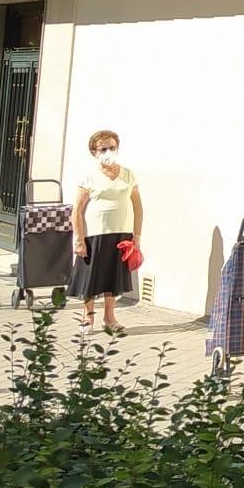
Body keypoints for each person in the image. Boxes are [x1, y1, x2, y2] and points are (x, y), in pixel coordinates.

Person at [71, 130, 143, 335]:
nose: (108, 152)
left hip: (121, 233)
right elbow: (77, 208)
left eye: (112, 148)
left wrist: (136, 235)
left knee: (113, 277)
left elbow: (138, 205)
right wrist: (79, 239)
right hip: (94, 234)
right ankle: (87, 316)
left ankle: (109, 317)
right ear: (95, 152)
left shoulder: (128, 174)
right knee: (91, 277)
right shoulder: (89, 177)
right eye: (103, 149)